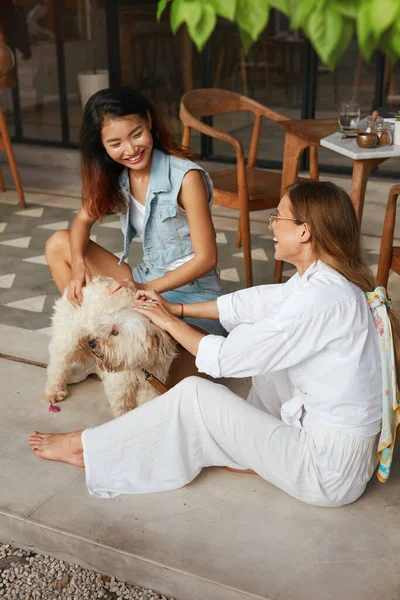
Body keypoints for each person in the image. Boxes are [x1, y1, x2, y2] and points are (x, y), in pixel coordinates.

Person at [30, 181, 400, 508]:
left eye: (278, 218)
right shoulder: (325, 281)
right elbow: (254, 303)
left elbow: (224, 359)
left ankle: (87, 447)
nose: (270, 224)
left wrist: (170, 323)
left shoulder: (320, 299)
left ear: (304, 232)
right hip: (344, 456)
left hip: (327, 471)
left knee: (195, 394)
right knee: (269, 365)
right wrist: (175, 306)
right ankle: (246, 451)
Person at [45, 86, 223, 381]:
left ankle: (118, 350)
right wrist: (78, 265)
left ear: (149, 122)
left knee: (174, 386)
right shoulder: (117, 176)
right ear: (102, 146)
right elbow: (80, 223)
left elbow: (206, 258)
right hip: (141, 279)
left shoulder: (186, 177)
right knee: (59, 244)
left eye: (136, 134)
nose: (130, 149)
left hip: (190, 292)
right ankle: (94, 351)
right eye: (115, 143)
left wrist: (142, 286)